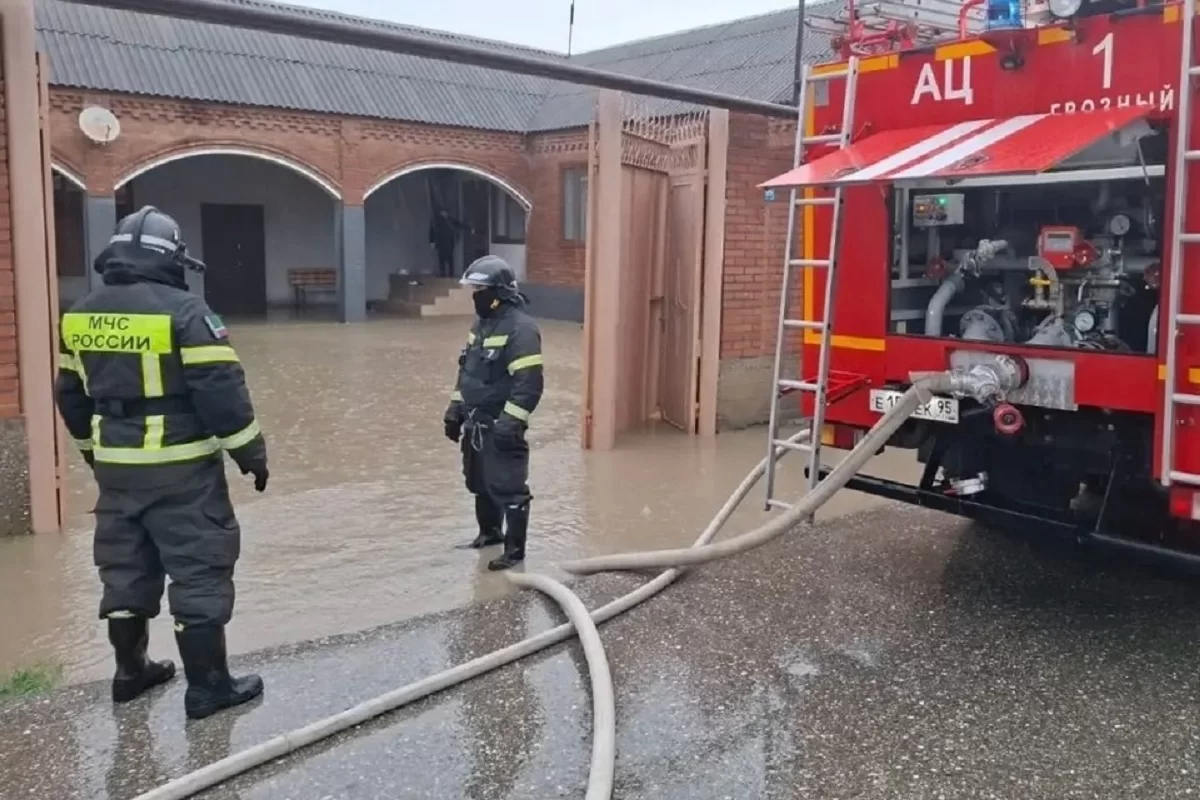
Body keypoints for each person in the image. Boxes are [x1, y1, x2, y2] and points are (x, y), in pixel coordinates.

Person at [54, 206, 269, 720]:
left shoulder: (80, 312)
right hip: (182, 469)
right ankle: (209, 687)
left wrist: (92, 452)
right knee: (199, 567)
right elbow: (221, 393)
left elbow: (71, 395)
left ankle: (131, 673)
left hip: (115, 469)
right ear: (171, 256)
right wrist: (251, 454)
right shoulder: (187, 312)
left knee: (125, 566)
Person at [443, 255, 544, 571]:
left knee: (509, 488)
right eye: (474, 290)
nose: (476, 296)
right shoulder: (481, 325)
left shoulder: (522, 330)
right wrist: (455, 407)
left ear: (499, 293)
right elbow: (468, 371)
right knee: (480, 483)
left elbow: (529, 384)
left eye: (481, 290)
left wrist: (510, 422)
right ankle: (489, 534)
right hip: (475, 424)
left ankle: (514, 554)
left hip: (501, 425)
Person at [428, 208, 464, 278]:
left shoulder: (450, 220)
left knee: (450, 260)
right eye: (443, 213)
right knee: (442, 260)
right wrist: (432, 241)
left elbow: (459, 224)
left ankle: (451, 274)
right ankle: (443, 273)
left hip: (449, 243)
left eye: (445, 213)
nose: (444, 214)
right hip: (441, 243)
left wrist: (469, 228)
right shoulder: (436, 221)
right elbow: (431, 231)